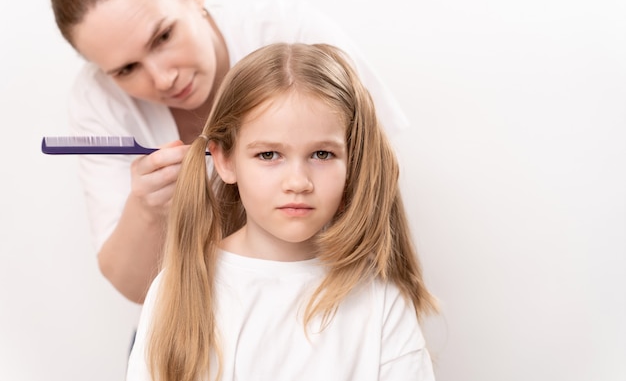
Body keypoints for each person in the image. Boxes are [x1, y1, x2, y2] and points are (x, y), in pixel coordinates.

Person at [49, 0, 410, 304]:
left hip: (328, 301)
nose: (162, 78)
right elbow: (136, 288)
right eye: (126, 69)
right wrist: (147, 210)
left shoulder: (294, 36)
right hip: (188, 322)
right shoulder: (98, 101)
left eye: (162, 37)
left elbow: (377, 182)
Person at [125, 42, 437, 381]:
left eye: (321, 155)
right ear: (225, 160)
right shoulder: (178, 288)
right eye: (269, 155)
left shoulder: (381, 304)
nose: (298, 182)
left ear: (353, 161)